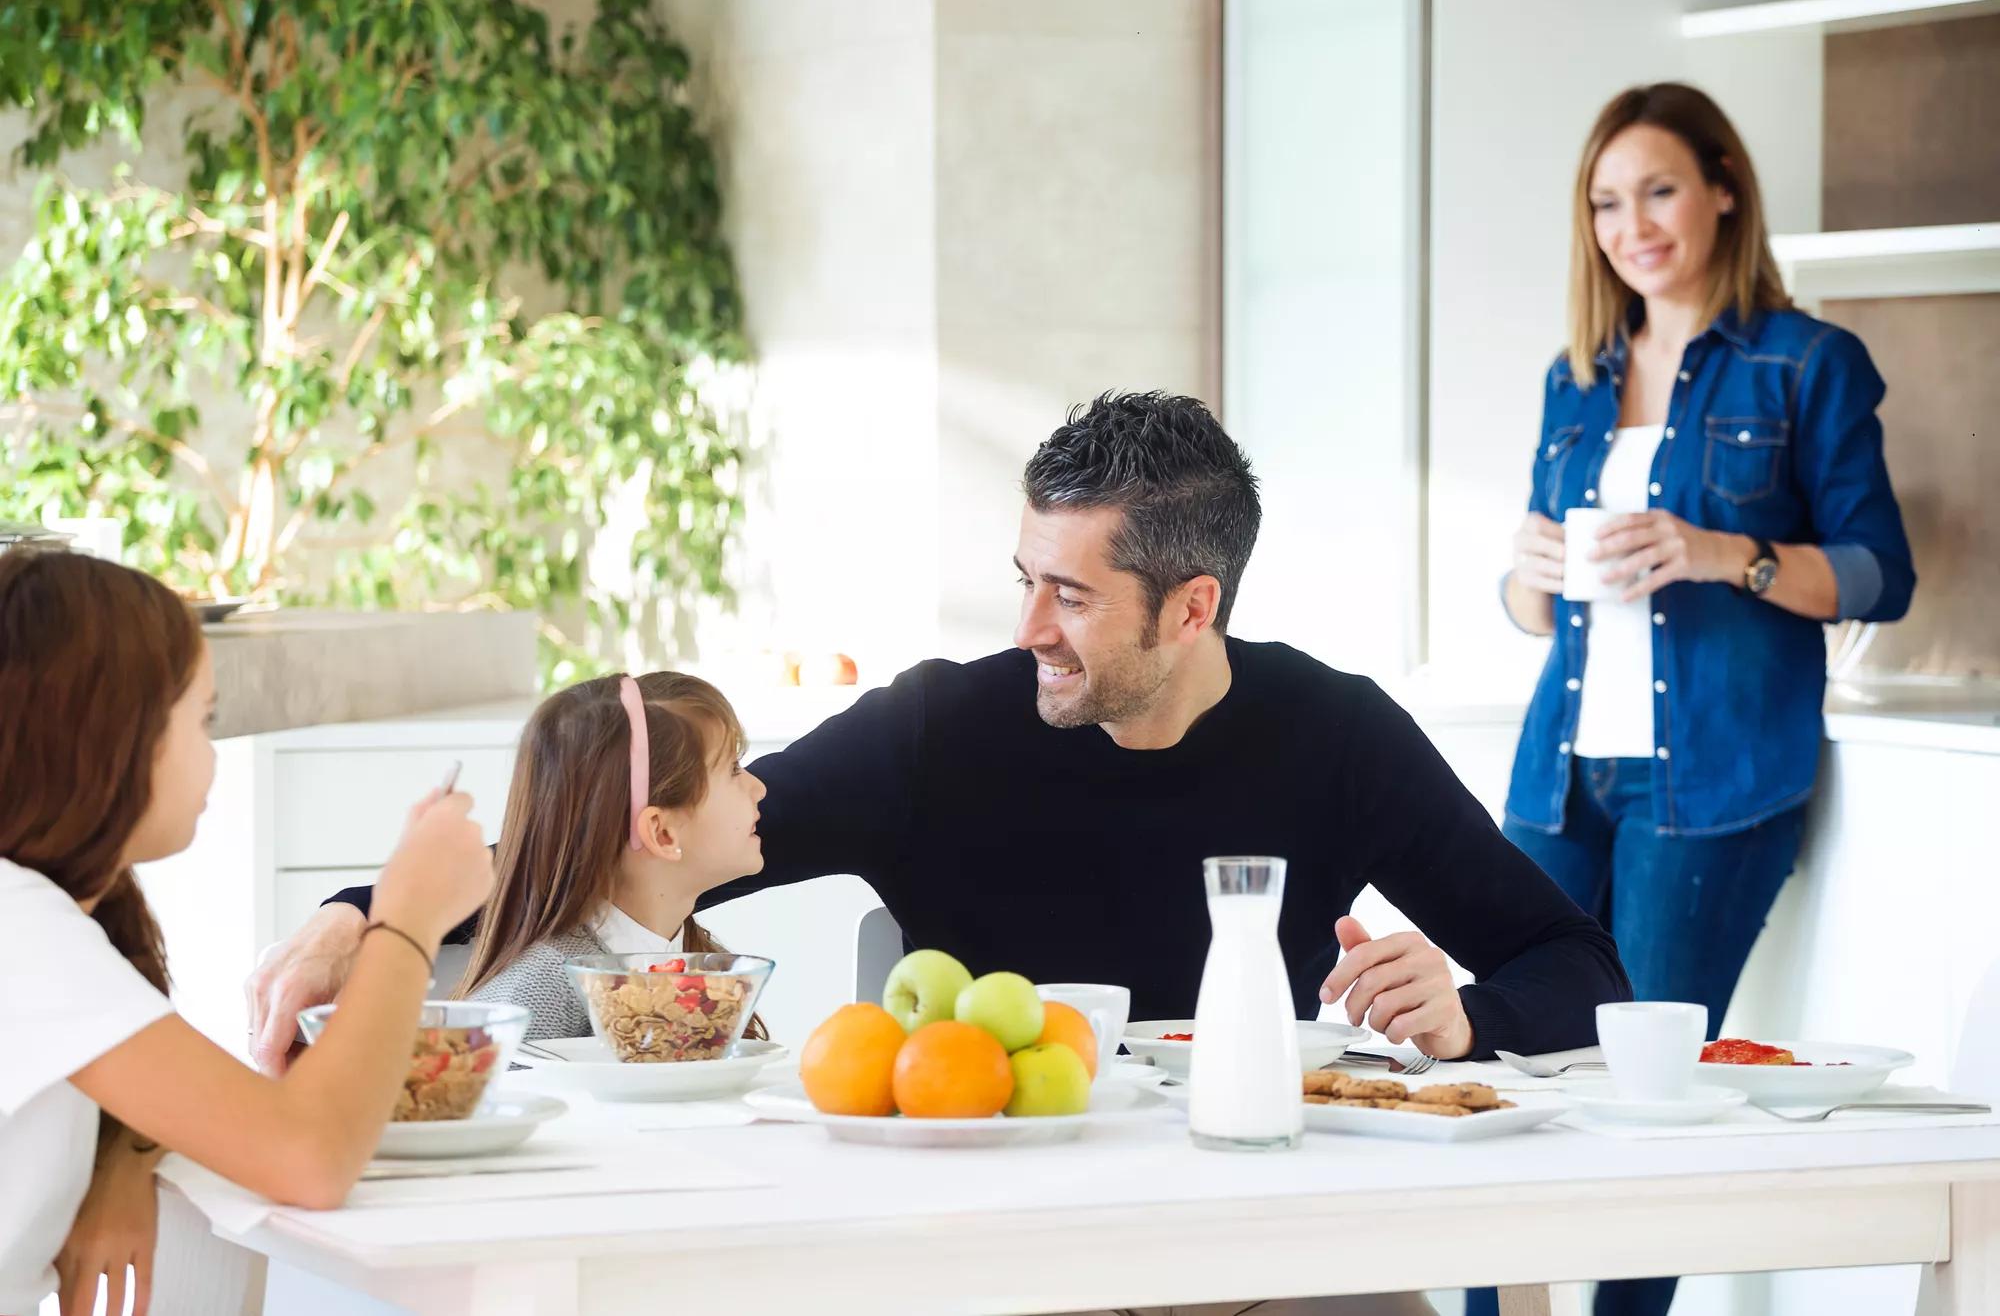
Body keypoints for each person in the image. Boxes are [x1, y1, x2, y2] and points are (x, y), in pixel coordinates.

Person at [260, 391, 1630, 1079]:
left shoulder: (1337, 736)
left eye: (1073, 593)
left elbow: (1580, 964)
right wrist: (361, 912)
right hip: (993, 1228)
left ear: (1191, 605)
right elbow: (637, 842)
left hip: (1259, 1211)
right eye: (1024, 573)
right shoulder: (943, 727)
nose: (1026, 619)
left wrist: (1469, 1020)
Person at [1490, 83, 1914, 1316]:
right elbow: (1538, 612)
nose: (1633, 224)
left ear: (1723, 185)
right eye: (1606, 201)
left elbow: (1879, 572)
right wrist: (1519, 579)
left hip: (1712, 784)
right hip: (1557, 775)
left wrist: (1722, 551)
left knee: (1647, 1091)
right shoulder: (1574, 376)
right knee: (1500, 1067)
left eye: (1658, 188)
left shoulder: (1808, 365)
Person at [0, 547, 494, 1316]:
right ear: (109, 737)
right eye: (204, 719)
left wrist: (123, 1154)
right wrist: (408, 918)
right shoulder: (19, 925)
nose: (213, 753)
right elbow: (310, 1155)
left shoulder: (40, 919)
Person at [454, 670, 769, 1043]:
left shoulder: (696, 960)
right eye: (733, 769)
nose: (759, 787)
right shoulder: (540, 992)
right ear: (662, 833)